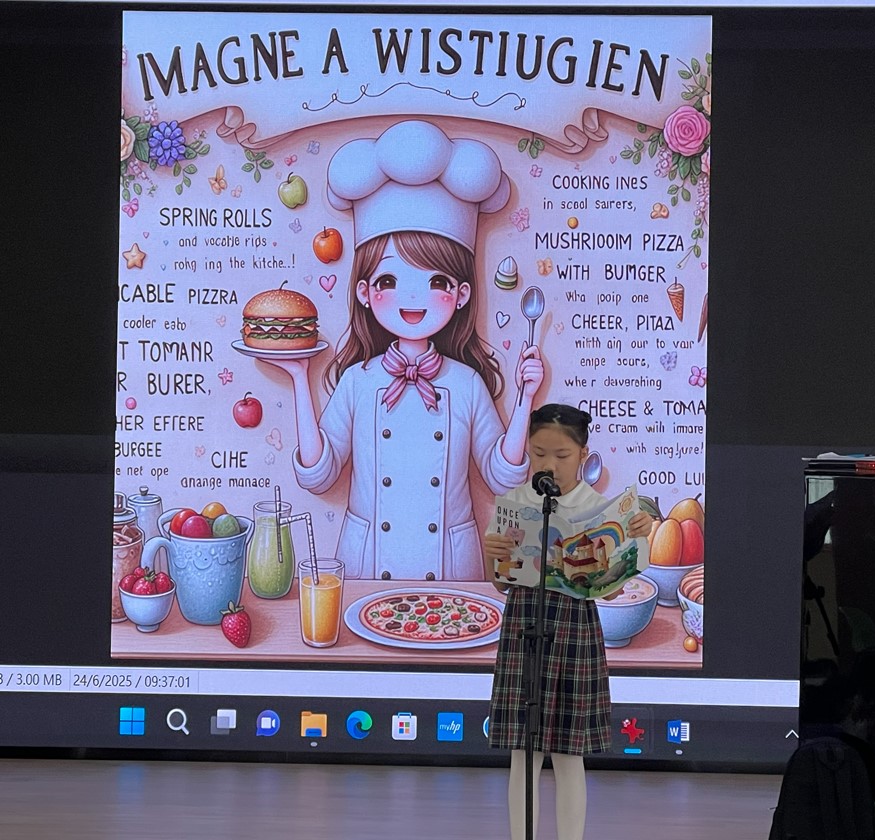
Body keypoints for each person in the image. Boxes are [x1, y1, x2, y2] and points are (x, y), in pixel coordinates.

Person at [265, 120, 544, 581]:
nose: (412, 298)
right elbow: (318, 475)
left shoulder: (465, 383)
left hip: (450, 571)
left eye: (436, 281)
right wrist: (299, 377)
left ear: (461, 294)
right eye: (390, 280)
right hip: (367, 567)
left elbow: (501, 476)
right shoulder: (359, 381)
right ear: (364, 292)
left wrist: (525, 399)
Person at [485, 404, 652, 840]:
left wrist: (635, 538)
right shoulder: (515, 503)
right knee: (523, 751)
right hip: (524, 623)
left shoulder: (599, 507)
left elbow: (610, 591)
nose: (550, 465)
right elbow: (500, 583)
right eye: (539, 453)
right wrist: (493, 556)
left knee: (568, 752)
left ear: (582, 454)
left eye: (561, 456)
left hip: (575, 626)